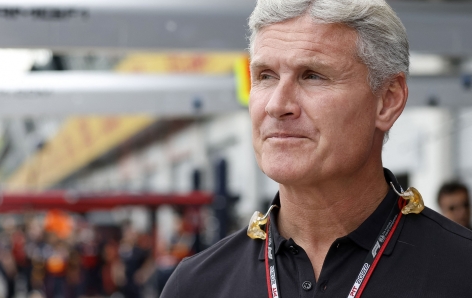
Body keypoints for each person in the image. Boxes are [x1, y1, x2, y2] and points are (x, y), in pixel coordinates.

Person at [161, 1, 472, 297]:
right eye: (265, 76)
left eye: (312, 76)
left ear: (387, 100)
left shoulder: (460, 272)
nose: (277, 105)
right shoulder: (197, 285)